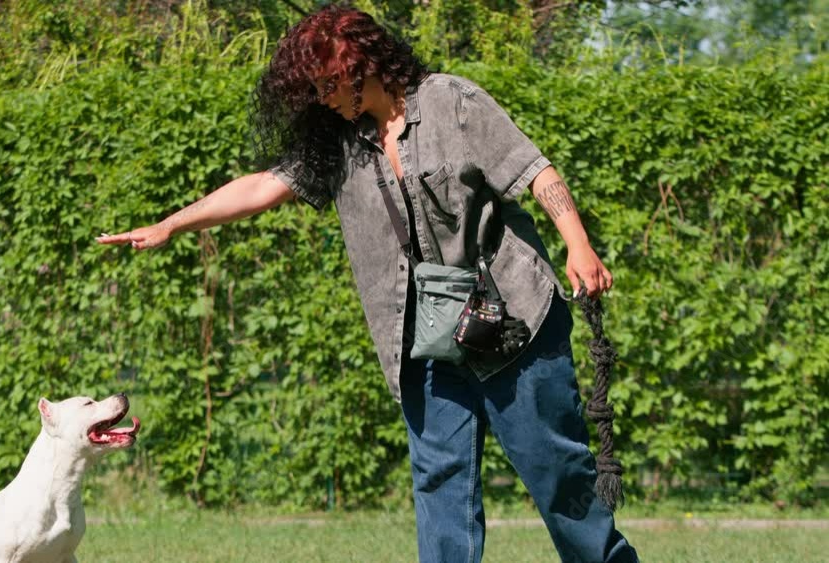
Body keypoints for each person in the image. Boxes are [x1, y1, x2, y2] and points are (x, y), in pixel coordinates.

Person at [97, 5, 639, 562]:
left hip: (515, 322)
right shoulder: (338, 142)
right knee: (441, 490)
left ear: (361, 62)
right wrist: (170, 224)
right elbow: (264, 185)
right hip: (425, 339)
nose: (323, 97)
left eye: (327, 83)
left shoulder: (452, 101)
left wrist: (578, 243)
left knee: (560, 481)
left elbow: (532, 169)